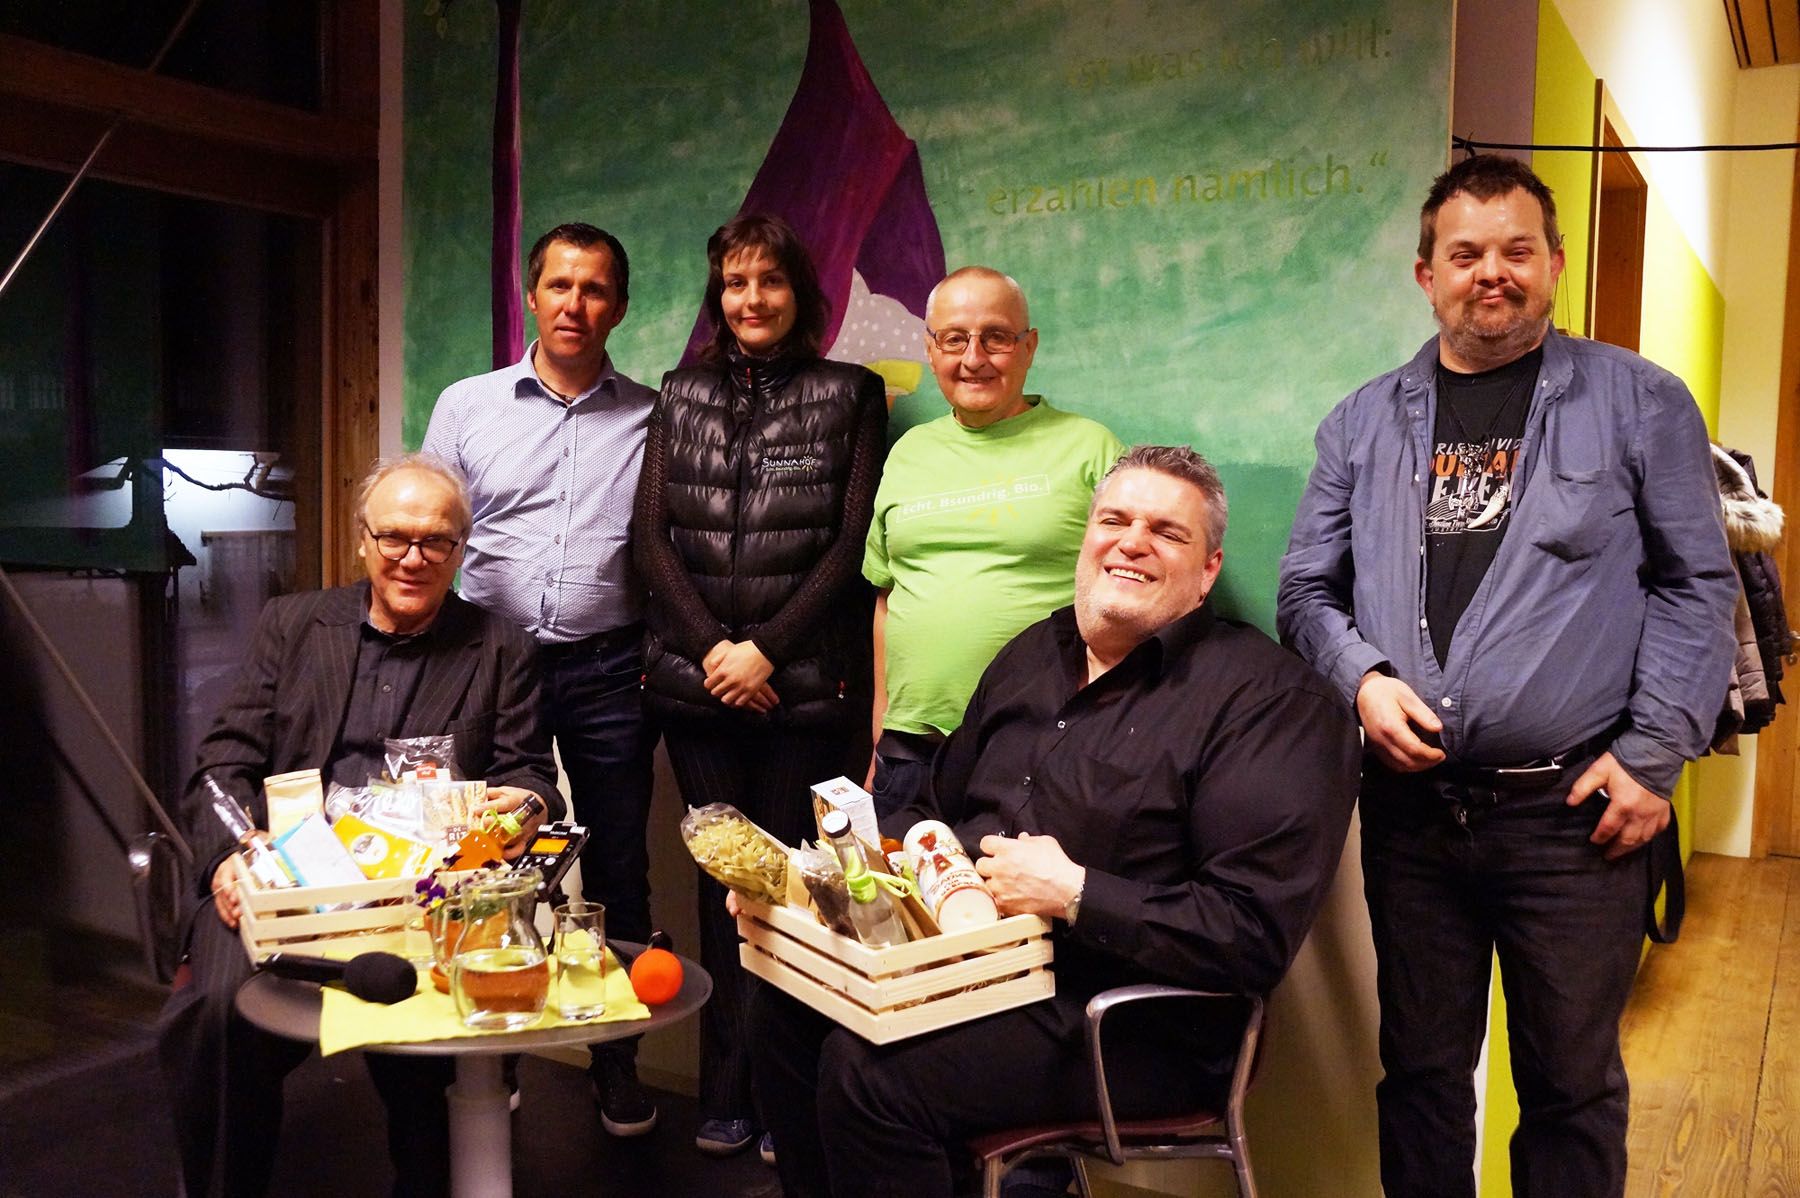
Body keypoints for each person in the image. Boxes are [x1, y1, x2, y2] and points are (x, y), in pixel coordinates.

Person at [1276, 154, 1737, 1198]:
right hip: (1412, 817)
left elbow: (1695, 584)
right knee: (1422, 1076)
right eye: (1466, 254)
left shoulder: (1640, 402)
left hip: (1574, 816)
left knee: (1569, 1085)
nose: (1493, 272)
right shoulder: (1361, 422)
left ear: (1556, 264)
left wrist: (1652, 757)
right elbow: (1306, 589)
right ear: (1426, 274)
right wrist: (1362, 677)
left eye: (1517, 250)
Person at [751, 446, 1361, 1197]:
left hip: (1125, 1021)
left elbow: (1251, 935)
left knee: (870, 1074)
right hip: (974, 972)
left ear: (1209, 571)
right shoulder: (1033, 653)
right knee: (785, 1005)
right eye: (1115, 521)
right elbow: (927, 808)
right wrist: (819, 886)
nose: (1132, 542)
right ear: (1087, 538)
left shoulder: (1273, 703)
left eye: (1167, 532)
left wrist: (1076, 892)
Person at [156, 453, 560, 1198]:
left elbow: (532, 778)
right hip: (283, 887)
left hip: (421, 903)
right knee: (214, 1018)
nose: (413, 557)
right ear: (363, 540)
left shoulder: (502, 645)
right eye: (395, 537)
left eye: (435, 541)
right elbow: (220, 764)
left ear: (461, 549)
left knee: (435, 1063)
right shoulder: (293, 624)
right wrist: (228, 858)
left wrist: (524, 808)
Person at [632, 212, 887, 1157]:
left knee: (790, 888)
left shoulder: (850, 393)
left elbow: (851, 546)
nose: (752, 299)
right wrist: (715, 652)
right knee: (719, 891)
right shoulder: (682, 392)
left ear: (799, 294)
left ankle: (786, 1103)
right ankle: (726, 1093)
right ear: (719, 296)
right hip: (699, 691)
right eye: (736, 283)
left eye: (769, 281)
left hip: (801, 691)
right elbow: (650, 537)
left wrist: (765, 652)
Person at [422, 221, 662, 1134]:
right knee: (491, 862)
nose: (575, 304)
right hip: (489, 665)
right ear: (532, 296)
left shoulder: (653, 416)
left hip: (609, 667)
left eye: (595, 289)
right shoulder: (467, 406)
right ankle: (497, 1048)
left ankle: (617, 1061)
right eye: (560, 285)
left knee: (620, 866)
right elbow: (431, 523)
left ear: (619, 307)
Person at [862, 266, 1125, 817]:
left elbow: (1133, 597)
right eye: (954, 339)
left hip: (1041, 748)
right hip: (910, 752)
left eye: (996, 337)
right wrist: (881, 731)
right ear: (930, 350)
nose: (973, 357)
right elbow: (887, 596)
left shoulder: (1092, 449)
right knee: (896, 879)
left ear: (1029, 347)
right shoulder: (908, 452)